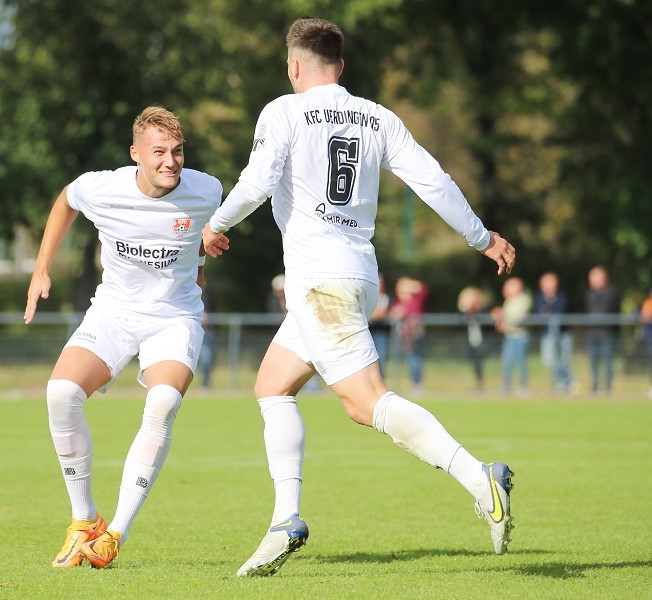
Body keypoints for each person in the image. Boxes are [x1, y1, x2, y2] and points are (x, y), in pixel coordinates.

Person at [201, 17, 518, 576]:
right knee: (272, 385)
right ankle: (284, 519)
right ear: (341, 66)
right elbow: (433, 180)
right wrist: (482, 237)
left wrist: (215, 224)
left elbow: (256, 182)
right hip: (358, 276)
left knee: (366, 402)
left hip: (319, 282)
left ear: (294, 65)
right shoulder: (377, 117)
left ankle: (479, 477)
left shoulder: (283, 111)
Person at [23, 106, 222, 569]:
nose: (171, 162)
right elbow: (66, 201)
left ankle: (115, 533)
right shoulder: (103, 188)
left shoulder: (207, 189)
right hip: (113, 312)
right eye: (159, 152)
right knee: (60, 394)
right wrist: (40, 268)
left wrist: (206, 250)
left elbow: (211, 227)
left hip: (174, 317)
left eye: (177, 151)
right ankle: (83, 520)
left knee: (163, 403)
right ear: (135, 154)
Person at [491, 277, 532, 395]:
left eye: (508, 286)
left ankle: (522, 387)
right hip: (509, 336)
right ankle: (506, 387)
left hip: (520, 336)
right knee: (506, 362)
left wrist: (503, 320)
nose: (505, 289)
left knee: (520, 362)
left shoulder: (523, 299)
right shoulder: (508, 301)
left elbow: (516, 317)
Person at [389, 276, 428, 393]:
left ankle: (417, 384)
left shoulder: (416, 300)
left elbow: (424, 289)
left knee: (415, 359)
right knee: (408, 360)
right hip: (403, 337)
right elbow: (392, 314)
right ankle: (412, 383)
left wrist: (410, 284)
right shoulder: (397, 302)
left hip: (415, 335)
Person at [585, 266, 620, 394]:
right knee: (593, 361)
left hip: (607, 333)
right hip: (592, 332)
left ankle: (608, 388)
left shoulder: (611, 293)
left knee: (608, 361)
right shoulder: (589, 294)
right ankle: (594, 386)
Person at [535, 272, 572, 393]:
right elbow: (540, 313)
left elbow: (559, 312)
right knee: (549, 360)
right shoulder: (540, 298)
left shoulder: (562, 297)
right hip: (548, 335)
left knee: (564, 359)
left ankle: (565, 383)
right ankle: (562, 380)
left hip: (563, 335)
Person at [458, 286, 489, 391]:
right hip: (468, 342)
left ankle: (479, 384)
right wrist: (466, 309)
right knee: (472, 363)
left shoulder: (482, 310)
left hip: (481, 341)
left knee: (479, 363)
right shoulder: (463, 312)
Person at [369, 273, 392, 378]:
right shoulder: (368, 297)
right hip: (367, 332)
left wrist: (369, 314)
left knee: (380, 360)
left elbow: (380, 314)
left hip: (380, 333)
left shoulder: (385, 297)